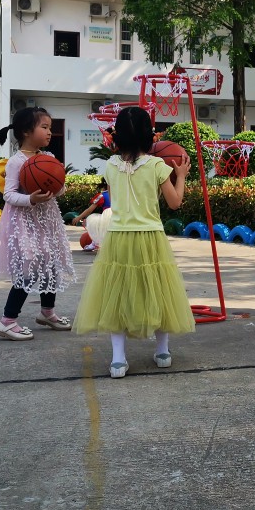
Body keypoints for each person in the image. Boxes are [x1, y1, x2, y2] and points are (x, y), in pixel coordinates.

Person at [73, 106, 195, 378]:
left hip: (118, 236)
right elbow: (175, 203)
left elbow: (115, 198)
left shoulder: (110, 165)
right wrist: (181, 176)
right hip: (150, 236)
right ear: (149, 136)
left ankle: (118, 360)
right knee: (159, 291)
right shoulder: (157, 165)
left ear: (118, 136)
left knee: (117, 295)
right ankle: (162, 352)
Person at [0, 107, 77, 341]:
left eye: (50, 127)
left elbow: (59, 190)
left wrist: (58, 183)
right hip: (24, 224)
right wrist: (30, 198)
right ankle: (7, 321)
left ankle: (47, 312)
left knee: (51, 266)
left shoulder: (47, 158)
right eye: (44, 127)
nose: (50, 132)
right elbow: (9, 195)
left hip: (47, 222)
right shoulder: (16, 162)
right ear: (26, 132)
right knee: (28, 272)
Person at [70, 178, 110, 252]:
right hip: (119, 217)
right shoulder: (119, 195)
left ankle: (95, 243)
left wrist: (79, 217)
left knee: (91, 222)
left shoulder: (102, 196)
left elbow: (89, 210)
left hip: (107, 217)